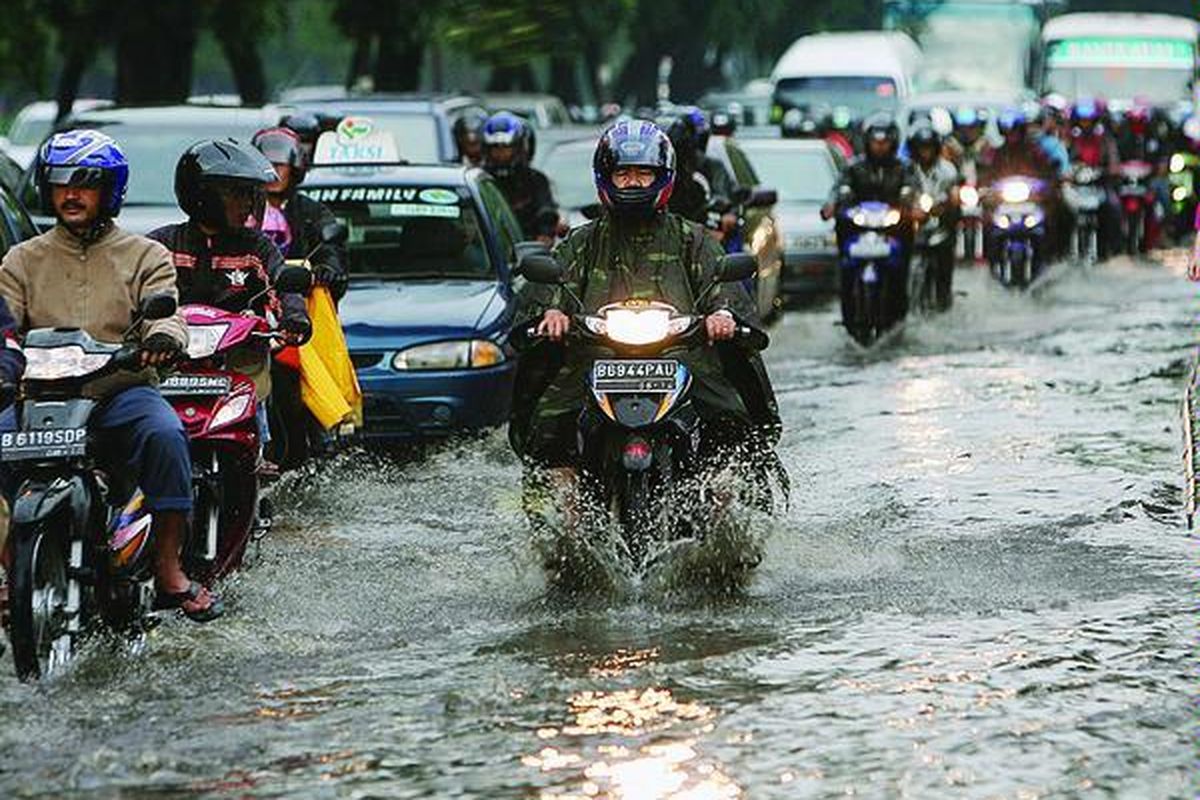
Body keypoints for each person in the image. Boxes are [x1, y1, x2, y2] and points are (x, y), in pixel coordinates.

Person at [0, 130, 221, 621]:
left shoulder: (145, 255)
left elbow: (167, 312)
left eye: (85, 183)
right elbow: (5, 327)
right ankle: (15, 571)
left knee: (167, 435)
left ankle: (167, 569)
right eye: (59, 183)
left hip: (118, 391)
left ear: (111, 190)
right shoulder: (20, 260)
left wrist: (162, 340)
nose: (70, 194)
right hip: (37, 397)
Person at [510, 119, 779, 477]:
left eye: (643, 174)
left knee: (733, 424)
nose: (633, 183)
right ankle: (560, 497)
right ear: (605, 177)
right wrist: (552, 314)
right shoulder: (582, 241)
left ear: (663, 177)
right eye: (623, 174)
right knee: (548, 428)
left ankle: (723, 494)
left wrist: (723, 317)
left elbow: (722, 288)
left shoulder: (693, 239)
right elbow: (552, 286)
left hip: (683, 357)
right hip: (593, 358)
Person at [148, 139, 311, 471]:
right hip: (172, 361)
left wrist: (294, 318)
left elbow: (281, 282)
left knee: (264, 384)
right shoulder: (160, 244)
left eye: (251, 194)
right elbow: (134, 292)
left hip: (240, 359)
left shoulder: (257, 247)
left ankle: (259, 451)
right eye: (236, 194)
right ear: (202, 195)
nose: (248, 204)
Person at [821, 114, 917, 323]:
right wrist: (832, 205)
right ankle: (849, 314)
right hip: (857, 226)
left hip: (894, 228)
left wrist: (913, 206)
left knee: (901, 270)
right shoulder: (854, 167)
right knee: (845, 271)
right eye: (875, 142)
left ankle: (898, 314)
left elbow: (913, 191)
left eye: (884, 142)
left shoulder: (904, 167)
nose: (879, 147)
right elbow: (838, 189)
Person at [251, 126, 347, 299]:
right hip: (246, 301)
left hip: (300, 301)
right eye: (267, 165)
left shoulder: (312, 212)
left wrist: (328, 269)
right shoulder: (239, 208)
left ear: (295, 168)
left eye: (281, 165)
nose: (274, 172)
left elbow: (330, 252)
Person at [907, 121, 961, 310]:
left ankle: (943, 300)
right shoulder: (907, 170)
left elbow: (954, 195)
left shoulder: (947, 170)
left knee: (944, 266)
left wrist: (948, 204)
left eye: (929, 147)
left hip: (941, 225)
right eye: (921, 148)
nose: (925, 152)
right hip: (913, 224)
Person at [481, 111, 559, 242]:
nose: (501, 154)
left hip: (529, 248)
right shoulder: (481, 180)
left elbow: (546, 210)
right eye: (495, 148)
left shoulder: (536, 180)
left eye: (506, 147)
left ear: (518, 148)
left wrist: (544, 234)